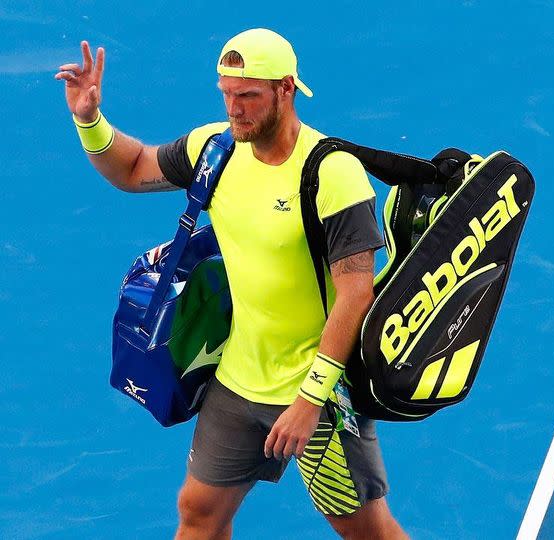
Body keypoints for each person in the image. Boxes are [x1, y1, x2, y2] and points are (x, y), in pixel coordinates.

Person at [56, 29, 408, 539]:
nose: (235, 108)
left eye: (248, 96)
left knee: (366, 531)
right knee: (198, 513)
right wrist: (89, 120)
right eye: (226, 93)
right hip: (237, 382)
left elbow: (356, 295)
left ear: (286, 89)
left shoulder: (333, 174)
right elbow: (132, 168)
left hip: (316, 393)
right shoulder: (214, 150)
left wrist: (309, 400)